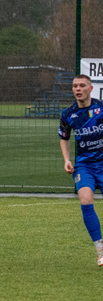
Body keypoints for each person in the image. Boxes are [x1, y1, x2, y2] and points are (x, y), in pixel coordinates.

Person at [59, 74, 103, 266]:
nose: (78, 89)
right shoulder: (68, 114)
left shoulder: (101, 108)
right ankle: (100, 249)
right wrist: (67, 160)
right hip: (84, 165)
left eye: (82, 85)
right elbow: (64, 137)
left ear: (90, 89)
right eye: (75, 86)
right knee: (85, 200)